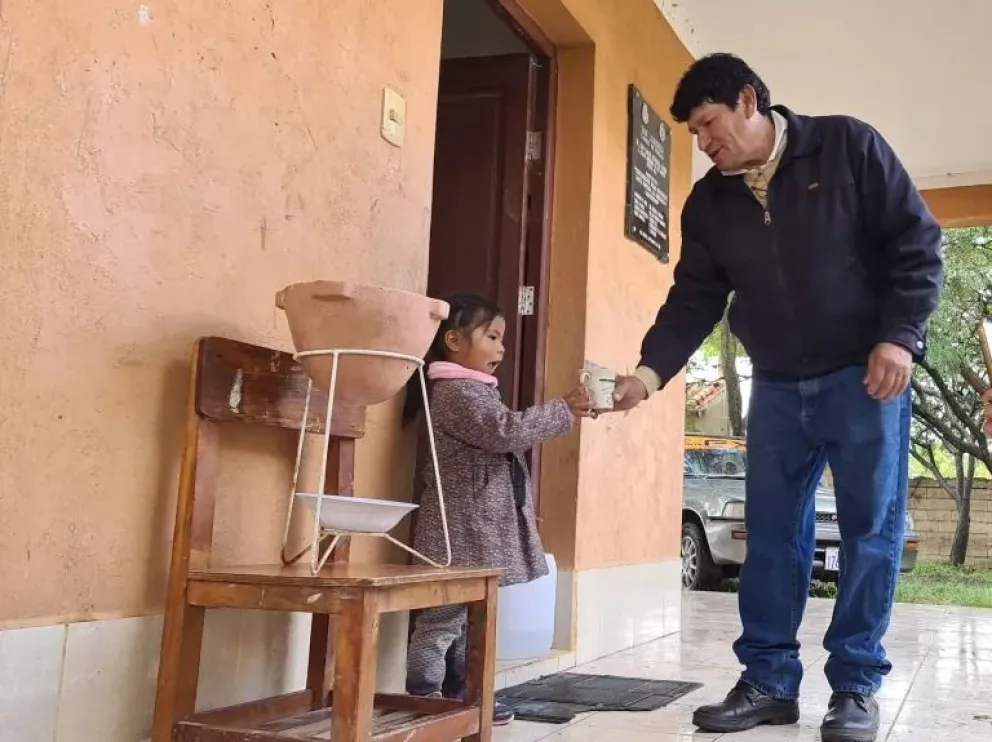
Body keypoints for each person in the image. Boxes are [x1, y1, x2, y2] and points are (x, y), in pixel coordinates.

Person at [611, 54, 943, 741]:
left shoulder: (848, 145)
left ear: (747, 100)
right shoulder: (710, 202)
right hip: (780, 386)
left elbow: (918, 242)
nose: (704, 143)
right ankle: (767, 680)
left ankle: (854, 686)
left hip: (865, 378)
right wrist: (647, 374)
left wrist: (900, 337)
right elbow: (695, 297)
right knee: (769, 538)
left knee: (870, 535)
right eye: (695, 134)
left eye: (708, 124)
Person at [403, 292, 592, 725]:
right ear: (453, 341)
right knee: (445, 614)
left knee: (469, 613)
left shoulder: (472, 390)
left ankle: (461, 691)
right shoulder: (455, 392)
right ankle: (425, 692)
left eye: (502, 338)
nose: (502, 348)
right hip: (459, 525)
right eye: (492, 336)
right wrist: (563, 409)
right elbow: (505, 432)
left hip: (473, 522)